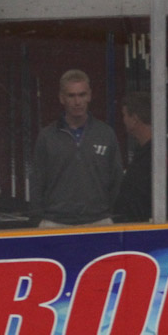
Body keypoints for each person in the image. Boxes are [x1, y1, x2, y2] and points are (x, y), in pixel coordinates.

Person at [30, 69, 124, 227]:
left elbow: (117, 179)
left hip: (99, 221)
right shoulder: (47, 136)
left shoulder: (105, 134)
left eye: (82, 95)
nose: (77, 101)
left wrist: (108, 213)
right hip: (55, 222)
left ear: (89, 96)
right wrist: (37, 219)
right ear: (61, 98)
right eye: (71, 96)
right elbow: (37, 182)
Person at [114, 91, 168, 222]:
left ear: (134, 119)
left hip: (150, 228)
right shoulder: (145, 153)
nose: (123, 120)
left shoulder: (160, 156)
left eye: (124, 115)